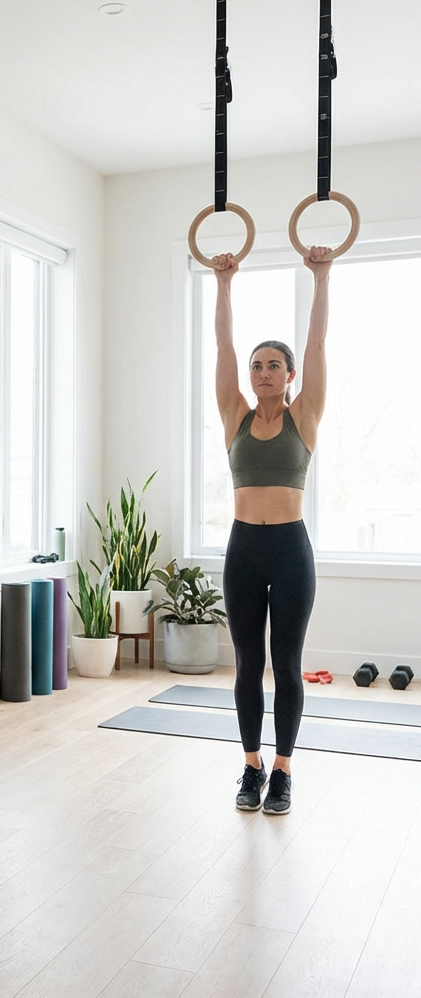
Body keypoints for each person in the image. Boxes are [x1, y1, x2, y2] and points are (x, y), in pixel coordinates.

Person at [212, 244, 332, 814]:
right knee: (245, 664)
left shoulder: (303, 418)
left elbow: (317, 344)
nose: (262, 372)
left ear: (289, 377)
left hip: (290, 551)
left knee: (285, 664)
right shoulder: (234, 415)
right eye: (257, 365)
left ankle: (283, 769)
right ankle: (251, 765)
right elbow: (223, 348)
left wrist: (320, 276)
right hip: (243, 548)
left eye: (273, 366)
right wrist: (224, 285)